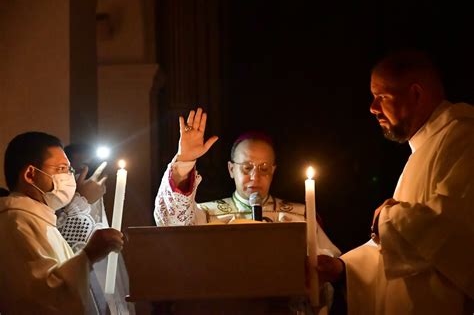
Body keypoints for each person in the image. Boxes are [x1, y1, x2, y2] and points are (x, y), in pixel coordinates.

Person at [317, 50, 474, 314]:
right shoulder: (424, 149)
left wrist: (386, 218)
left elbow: (454, 228)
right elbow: (400, 250)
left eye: (382, 96)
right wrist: (343, 269)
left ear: (416, 94)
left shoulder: (463, 138)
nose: (372, 107)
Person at [153, 108, 341, 313]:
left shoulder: (300, 215)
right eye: (246, 167)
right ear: (231, 169)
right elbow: (172, 223)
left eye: (264, 167)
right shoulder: (207, 214)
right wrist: (185, 162)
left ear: (273, 171)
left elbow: (325, 272)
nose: (255, 176)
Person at [0, 131, 123, 314]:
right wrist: (89, 254)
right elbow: (42, 299)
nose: (69, 177)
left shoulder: (39, 218)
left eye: (69, 170)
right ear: (30, 174)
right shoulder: (17, 221)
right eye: (61, 169)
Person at [60, 143, 134, 315]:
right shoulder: (65, 204)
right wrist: (79, 201)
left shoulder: (96, 196)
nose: (86, 175)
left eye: (90, 167)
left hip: (105, 271)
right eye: (77, 169)